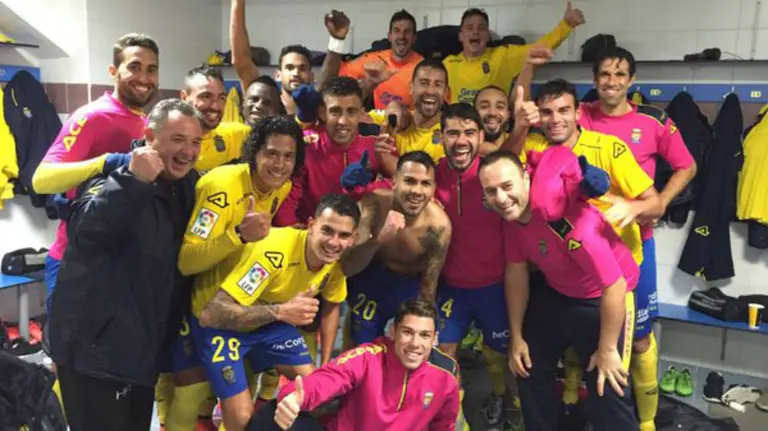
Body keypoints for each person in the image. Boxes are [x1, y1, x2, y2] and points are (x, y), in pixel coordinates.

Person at [49, 99, 203, 431]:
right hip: (95, 351)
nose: (189, 151)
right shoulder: (116, 177)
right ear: (150, 136)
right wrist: (133, 181)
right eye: (178, 139)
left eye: (195, 142)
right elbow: (86, 232)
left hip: (139, 350)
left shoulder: (185, 185)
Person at [571, 47, 697, 431]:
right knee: (579, 330)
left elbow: (687, 166)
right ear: (595, 81)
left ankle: (645, 423)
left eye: (620, 74)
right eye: (605, 74)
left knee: (639, 339)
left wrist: (659, 201)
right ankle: (575, 408)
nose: (612, 81)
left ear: (631, 80)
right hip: (581, 241)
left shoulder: (654, 120)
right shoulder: (578, 116)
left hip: (634, 241)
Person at [478, 147, 639, 431]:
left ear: (527, 179)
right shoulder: (512, 221)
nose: (501, 199)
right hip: (558, 292)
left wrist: (607, 349)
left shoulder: (571, 223)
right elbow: (516, 275)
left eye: (507, 186)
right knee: (525, 366)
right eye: (491, 192)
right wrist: (516, 337)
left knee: (607, 381)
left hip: (604, 297)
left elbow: (615, 286)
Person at [161, 116, 305, 431]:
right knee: (190, 395)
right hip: (201, 308)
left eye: (288, 156)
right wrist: (238, 234)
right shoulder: (221, 187)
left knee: (247, 394)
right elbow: (186, 261)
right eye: (271, 153)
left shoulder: (283, 186)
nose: (279, 164)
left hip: (244, 309)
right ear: (254, 152)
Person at [187, 193, 360, 431]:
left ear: (353, 238)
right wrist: (281, 312)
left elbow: (332, 304)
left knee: (315, 390)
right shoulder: (274, 251)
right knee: (241, 419)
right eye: (327, 230)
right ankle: (226, 412)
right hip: (221, 326)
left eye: (343, 235)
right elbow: (212, 314)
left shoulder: (335, 261)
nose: (333, 242)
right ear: (311, 225)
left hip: (269, 326)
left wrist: (326, 364)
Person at [32, 33, 159, 313]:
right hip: (76, 260)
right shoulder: (92, 116)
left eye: (152, 69)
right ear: (114, 71)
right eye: (134, 67)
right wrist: (105, 162)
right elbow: (41, 180)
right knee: (67, 353)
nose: (144, 77)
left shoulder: (146, 122)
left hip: (121, 262)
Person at [248, 299, 460, 431]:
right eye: (407, 332)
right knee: (271, 416)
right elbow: (327, 379)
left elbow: (444, 426)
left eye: (424, 335)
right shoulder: (368, 357)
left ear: (435, 340)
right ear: (393, 332)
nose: (415, 344)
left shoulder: (447, 375)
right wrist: (295, 396)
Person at [341, 151, 451, 346]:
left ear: (433, 188)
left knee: (413, 347)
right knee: (357, 347)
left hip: (410, 285)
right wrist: (379, 239)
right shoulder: (372, 206)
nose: (417, 191)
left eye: (425, 184)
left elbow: (429, 283)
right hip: (371, 277)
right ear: (394, 182)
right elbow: (348, 267)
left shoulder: (439, 226)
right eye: (409, 181)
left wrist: (427, 322)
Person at [275, 77, 383, 228]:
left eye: (351, 112)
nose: (343, 121)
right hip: (311, 234)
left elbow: (397, 184)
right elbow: (287, 200)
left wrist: (364, 190)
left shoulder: (376, 144)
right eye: (335, 111)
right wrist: (296, 234)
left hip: (358, 236)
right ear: (322, 113)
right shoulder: (305, 145)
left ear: (361, 114)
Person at [229, 0, 350, 116]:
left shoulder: (313, 105)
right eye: (289, 68)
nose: (296, 73)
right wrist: (237, 2)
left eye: (302, 68)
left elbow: (327, 79)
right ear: (277, 75)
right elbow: (241, 62)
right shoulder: (264, 100)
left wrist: (337, 40)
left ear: (312, 76)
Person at [443, 5, 583, 104]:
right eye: (469, 28)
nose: (475, 32)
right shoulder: (447, 64)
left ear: (487, 36)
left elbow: (538, 49)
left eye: (481, 28)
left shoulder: (503, 56)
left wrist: (566, 26)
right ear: (461, 36)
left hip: (494, 126)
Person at [373, 59, 449, 177]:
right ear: (411, 87)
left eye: (438, 84)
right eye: (423, 83)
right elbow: (350, 116)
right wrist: (369, 84)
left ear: (446, 92)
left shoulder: (452, 132)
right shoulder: (392, 118)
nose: (430, 91)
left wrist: (383, 156)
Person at [339, 9, 423, 109]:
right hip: (374, 122)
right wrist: (366, 84)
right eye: (397, 31)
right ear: (389, 36)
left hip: (410, 123)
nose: (401, 36)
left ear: (414, 38)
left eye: (407, 32)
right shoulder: (373, 59)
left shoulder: (423, 67)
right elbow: (337, 75)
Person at [180, 64, 251, 173]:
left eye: (222, 98)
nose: (215, 106)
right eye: (206, 96)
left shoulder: (236, 135)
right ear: (184, 98)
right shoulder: (170, 143)